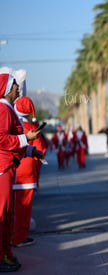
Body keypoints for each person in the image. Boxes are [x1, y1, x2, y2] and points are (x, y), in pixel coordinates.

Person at [0, 72, 43, 272]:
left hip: (9, 167)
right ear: (7, 89)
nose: (18, 88)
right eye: (15, 85)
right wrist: (26, 139)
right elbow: (2, 139)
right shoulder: (2, 109)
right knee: (2, 214)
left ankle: (6, 252)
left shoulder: (7, 109)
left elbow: (12, 141)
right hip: (3, 169)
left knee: (7, 215)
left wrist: (29, 149)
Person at [12, 96, 47, 248]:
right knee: (23, 208)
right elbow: (41, 150)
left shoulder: (10, 124)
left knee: (9, 208)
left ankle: (8, 237)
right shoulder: (31, 128)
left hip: (10, 171)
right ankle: (19, 237)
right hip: (26, 174)